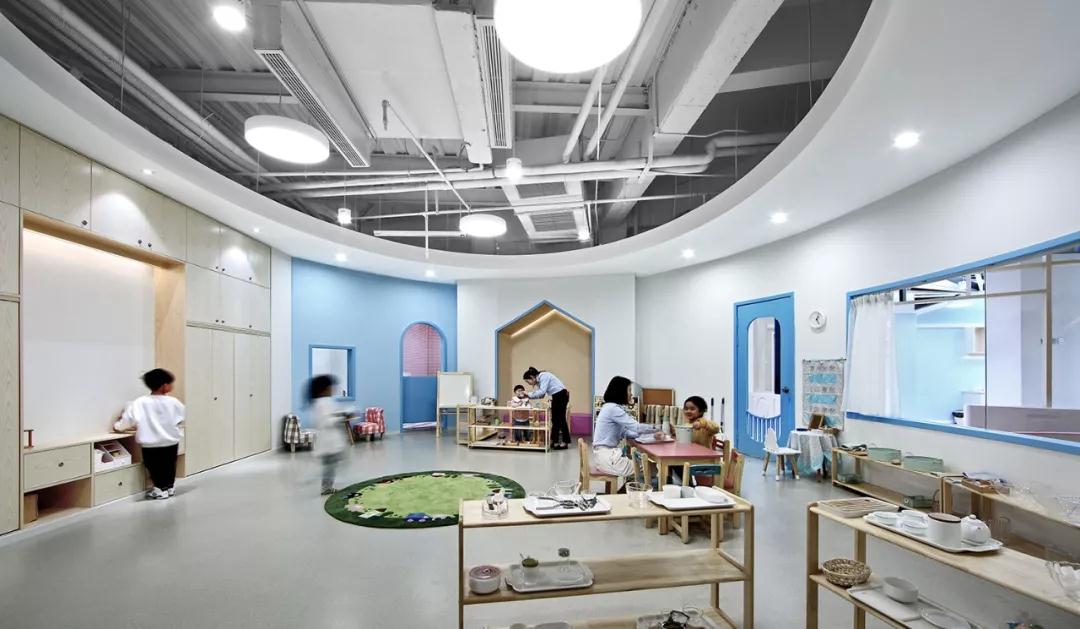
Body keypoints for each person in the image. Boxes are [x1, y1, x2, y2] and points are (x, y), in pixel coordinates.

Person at [113, 368, 184, 500]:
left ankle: (160, 489)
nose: (172, 386)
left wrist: (117, 426)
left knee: (155, 467)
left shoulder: (140, 402)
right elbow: (181, 418)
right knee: (169, 465)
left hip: (151, 443)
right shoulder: (174, 402)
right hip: (171, 441)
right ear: (164, 386)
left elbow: (128, 420)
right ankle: (170, 487)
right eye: (171, 383)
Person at [591, 376, 663, 477]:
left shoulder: (609, 407)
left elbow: (626, 433)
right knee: (650, 467)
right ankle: (642, 487)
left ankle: (638, 485)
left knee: (648, 466)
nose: (631, 394)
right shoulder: (613, 409)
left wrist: (652, 436)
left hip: (604, 456)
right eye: (629, 390)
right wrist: (659, 428)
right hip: (607, 458)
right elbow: (637, 427)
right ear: (621, 392)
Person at [309, 374, 347, 495]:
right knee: (330, 466)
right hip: (328, 441)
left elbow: (331, 415)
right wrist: (339, 417)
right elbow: (325, 421)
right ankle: (326, 487)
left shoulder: (322, 402)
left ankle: (327, 486)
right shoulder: (322, 403)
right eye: (330, 387)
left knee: (331, 465)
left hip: (329, 441)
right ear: (324, 389)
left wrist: (339, 414)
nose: (332, 389)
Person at [523, 366, 571, 450]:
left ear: (532, 377)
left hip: (561, 395)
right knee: (555, 419)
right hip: (557, 396)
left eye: (528, 381)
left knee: (560, 419)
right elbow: (542, 395)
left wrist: (528, 394)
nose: (529, 383)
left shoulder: (544, 376)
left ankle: (564, 442)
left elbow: (542, 392)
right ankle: (554, 441)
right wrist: (528, 396)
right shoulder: (539, 380)